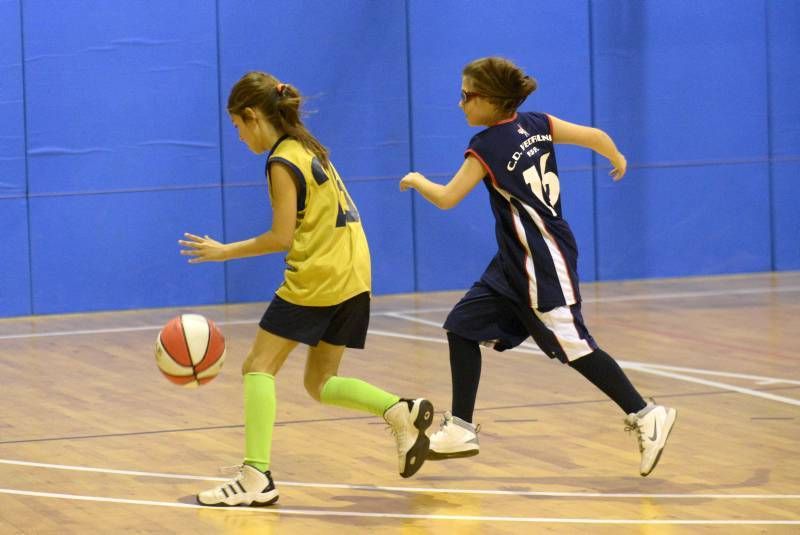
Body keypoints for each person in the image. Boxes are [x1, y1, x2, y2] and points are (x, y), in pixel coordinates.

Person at [399, 57, 676, 477]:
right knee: (462, 326)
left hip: (540, 258)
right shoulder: (538, 122)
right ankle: (459, 427)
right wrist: (616, 155)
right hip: (512, 261)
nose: (460, 104)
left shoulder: (485, 146)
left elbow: (447, 198)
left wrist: (418, 179)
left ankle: (645, 413)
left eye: (465, 95)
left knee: (574, 346)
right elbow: (596, 135)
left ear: (490, 100)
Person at [180, 71, 433, 507]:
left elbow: (280, 237)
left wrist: (224, 252)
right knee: (320, 382)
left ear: (252, 115)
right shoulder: (308, 147)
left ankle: (255, 475)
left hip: (321, 273)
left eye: (237, 127)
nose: (238, 137)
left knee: (257, 366)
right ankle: (400, 411)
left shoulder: (282, 161)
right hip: (355, 270)